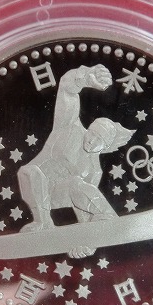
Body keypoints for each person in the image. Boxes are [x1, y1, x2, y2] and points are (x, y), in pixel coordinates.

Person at [18, 64, 134, 234]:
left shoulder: (94, 170)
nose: (91, 140)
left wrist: (86, 238)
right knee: (31, 171)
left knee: (77, 184)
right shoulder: (69, 128)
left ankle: (108, 218)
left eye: (99, 140)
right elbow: (66, 91)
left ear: (106, 146)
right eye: (91, 133)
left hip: (56, 194)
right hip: (33, 185)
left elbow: (82, 205)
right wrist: (85, 77)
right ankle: (43, 222)